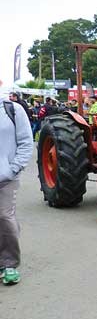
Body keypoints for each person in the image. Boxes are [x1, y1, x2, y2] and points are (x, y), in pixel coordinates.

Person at [1, 94, 34, 285]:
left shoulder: (12, 109)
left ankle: (9, 263)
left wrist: (13, 168)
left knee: (5, 217)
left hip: (5, 177)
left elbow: (25, 141)